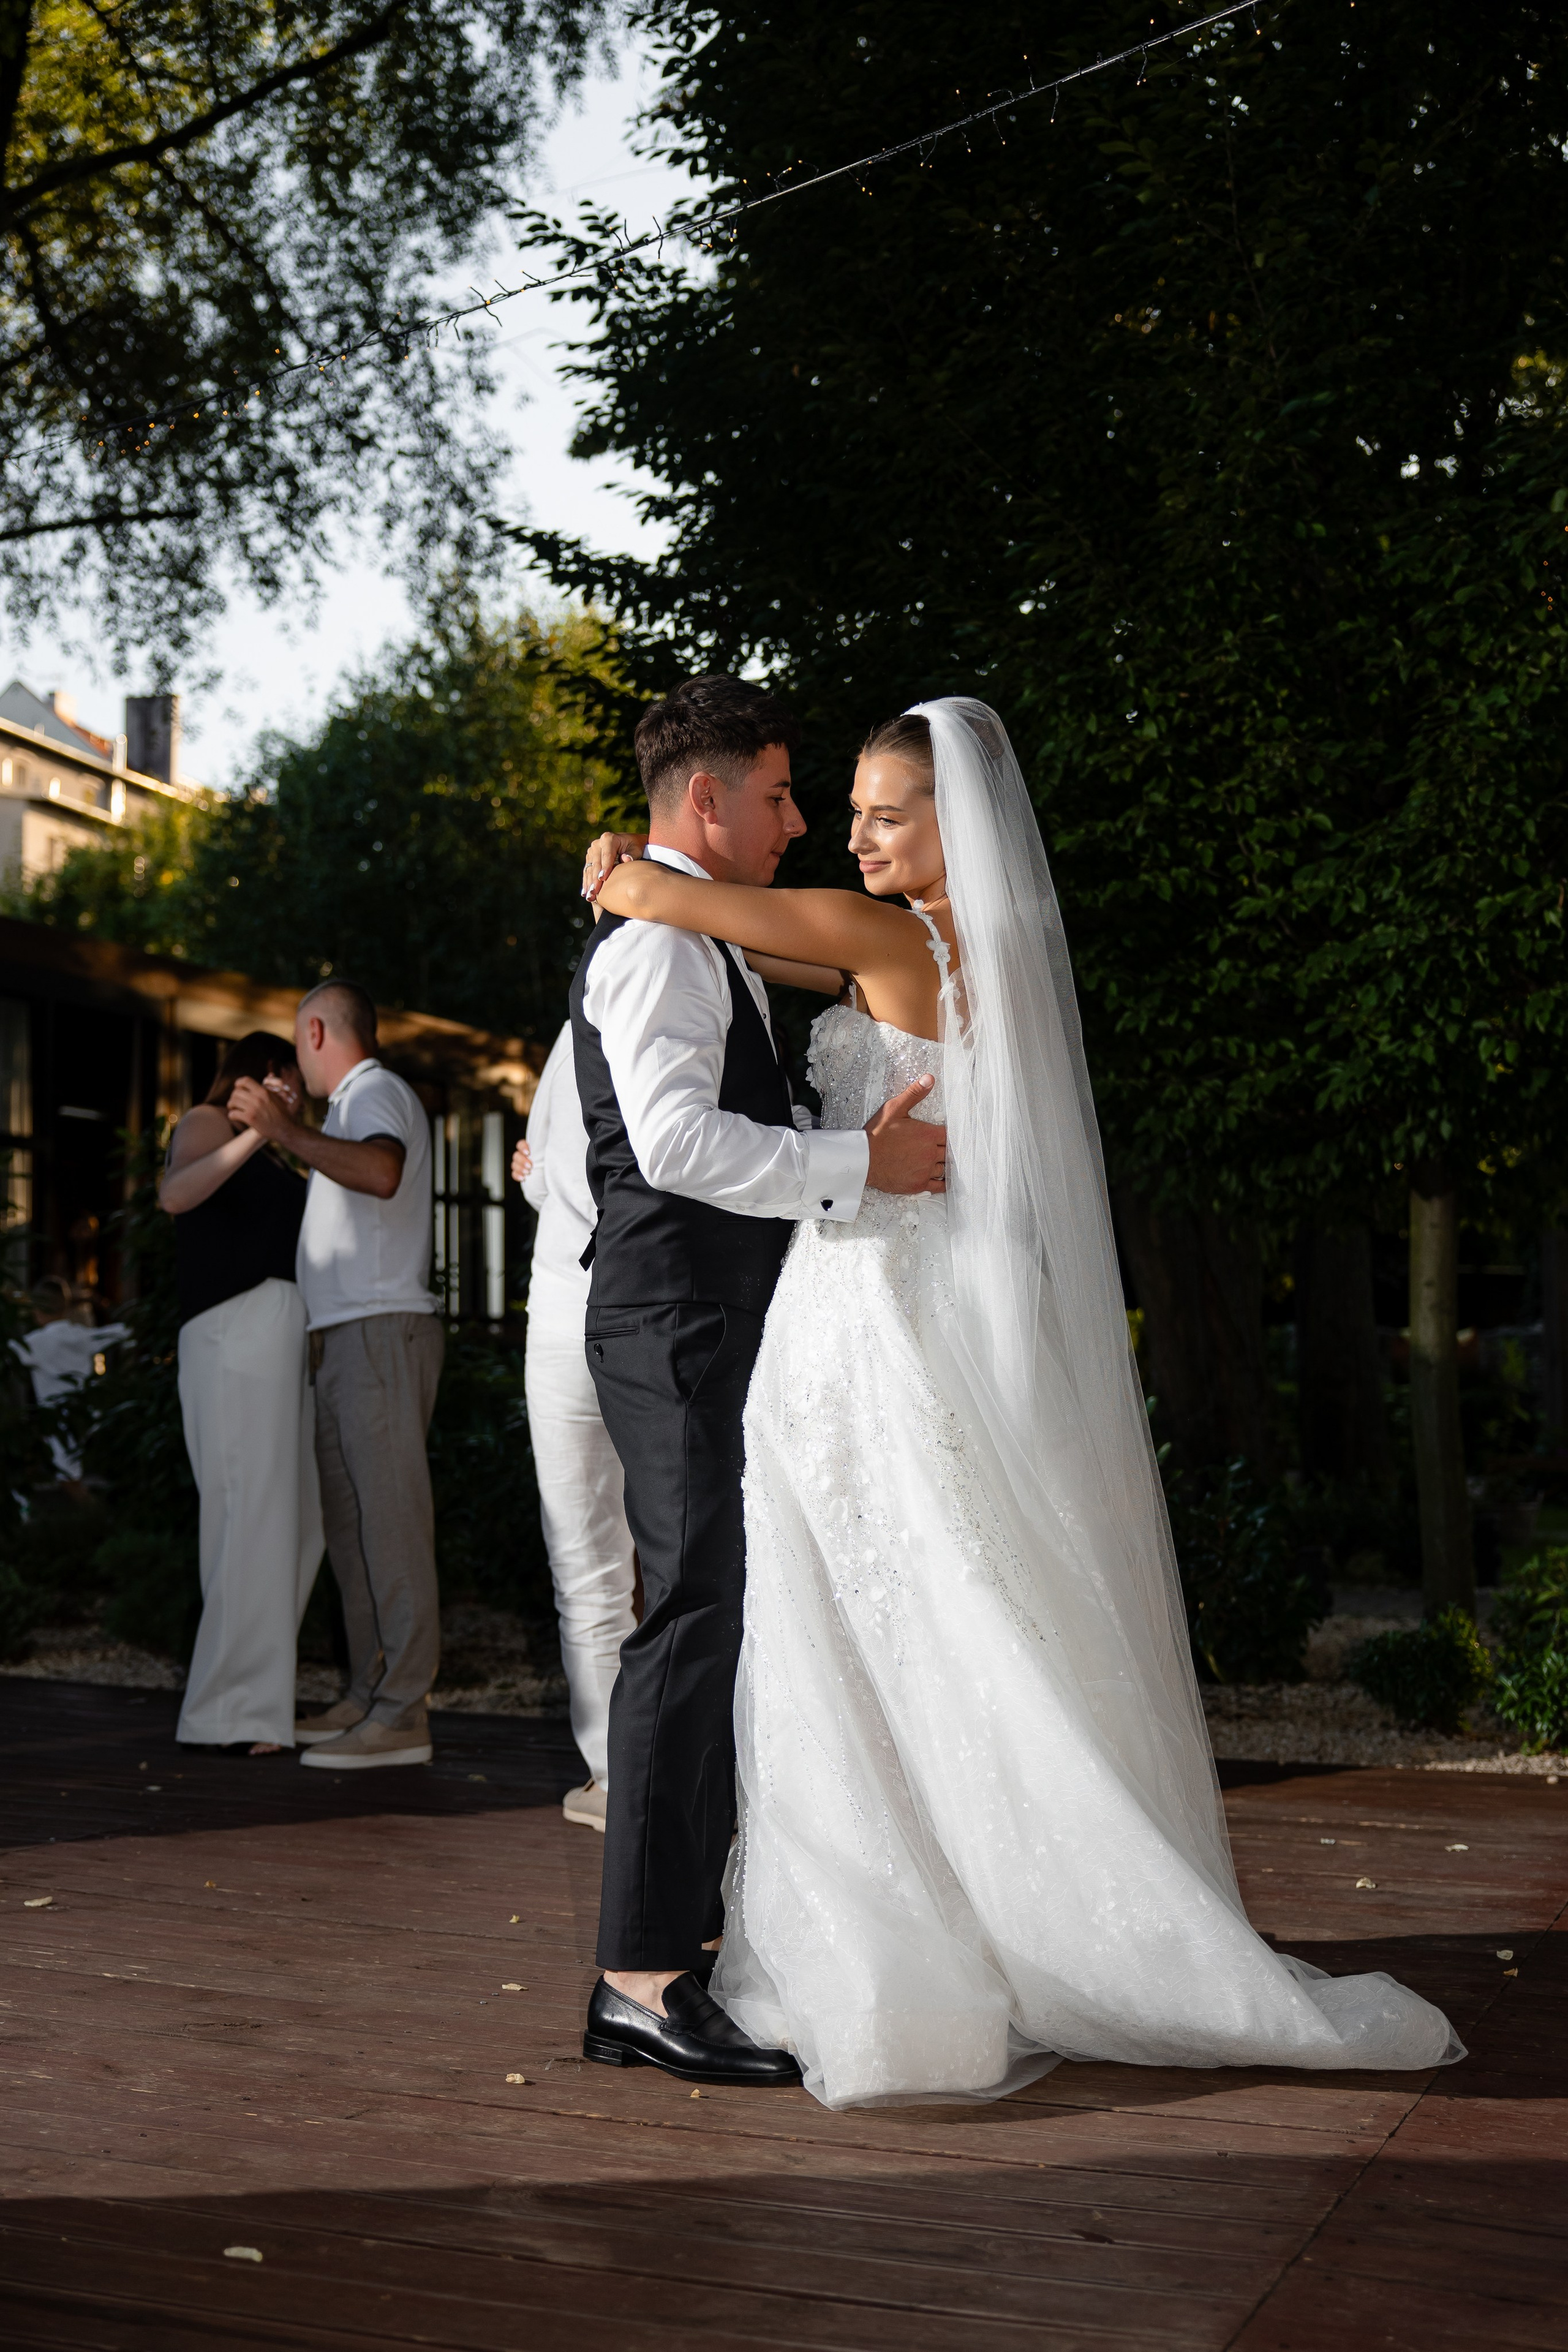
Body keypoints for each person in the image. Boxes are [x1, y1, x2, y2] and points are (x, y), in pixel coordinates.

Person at [585, 696, 1461, 2109]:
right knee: (940, 1603)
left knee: (854, 1616)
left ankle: (900, 1927)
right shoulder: (981, 947)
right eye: (843, 806)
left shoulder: (887, 938)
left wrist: (618, 868)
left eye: (881, 810)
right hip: (915, 1301)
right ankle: (988, 1903)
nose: (850, 831)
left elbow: (673, 903)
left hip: (866, 1311)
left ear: (953, 829)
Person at [567, 673, 947, 2089]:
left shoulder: (698, 932)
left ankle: (677, 1948)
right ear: (708, 799)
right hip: (674, 1320)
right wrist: (857, 1165)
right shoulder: (659, 942)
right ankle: (641, 1975)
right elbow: (671, 1148)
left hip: (712, 1316)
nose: (798, 822)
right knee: (686, 1621)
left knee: (716, 1617)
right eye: (782, 795)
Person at [228, 979, 444, 1772]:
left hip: (380, 1337)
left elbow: (382, 1174)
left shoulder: (375, 1092)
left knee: (389, 1525)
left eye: (298, 1040)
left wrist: (286, 1131)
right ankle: (370, 1691)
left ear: (317, 1030)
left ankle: (403, 1712)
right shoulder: (355, 1101)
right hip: (349, 1341)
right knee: (356, 1532)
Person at [159, 1031, 321, 1755]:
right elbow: (177, 1194)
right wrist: (257, 1133)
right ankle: (232, 1711)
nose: (298, 1092)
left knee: (299, 1522)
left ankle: (254, 1699)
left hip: (282, 1334)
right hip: (234, 1330)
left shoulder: (282, 1146)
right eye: (290, 1079)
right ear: (264, 1072)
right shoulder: (206, 1121)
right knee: (249, 1516)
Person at [512, 1025, 638, 1831]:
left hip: (643, 1310)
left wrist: (542, 1176)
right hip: (565, 1309)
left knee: (651, 1562)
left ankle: (637, 1770)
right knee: (586, 1566)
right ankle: (613, 1772)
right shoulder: (569, 1024)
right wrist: (539, 1176)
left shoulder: (694, 970)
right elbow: (542, 1175)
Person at [12, 1277, 130, 1480]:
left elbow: (9, 1355)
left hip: (59, 1420)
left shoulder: (35, 1344)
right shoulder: (81, 1336)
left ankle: (93, 1511)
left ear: (37, 1310)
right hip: (87, 1414)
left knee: (68, 1476)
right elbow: (121, 1332)